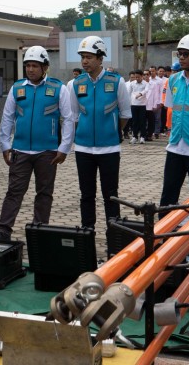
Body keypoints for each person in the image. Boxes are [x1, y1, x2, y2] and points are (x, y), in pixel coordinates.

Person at [0, 45, 74, 241]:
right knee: (14, 192)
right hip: (20, 151)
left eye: (35, 66)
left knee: (44, 193)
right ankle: (3, 231)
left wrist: (64, 148)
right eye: (28, 65)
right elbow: (7, 117)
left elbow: (69, 119)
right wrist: (5, 145)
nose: (30, 69)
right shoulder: (17, 88)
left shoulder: (58, 88)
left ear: (45, 67)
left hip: (47, 152)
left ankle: (40, 231)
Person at [70, 35, 131, 230]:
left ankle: (114, 235)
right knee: (86, 194)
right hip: (83, 148)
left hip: (109, 149)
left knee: (110, 194)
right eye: (82, 57)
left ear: (100, 58)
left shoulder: (116, 81)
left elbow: (125, 114)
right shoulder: (75, 84)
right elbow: (74, 116)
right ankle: (87, 232)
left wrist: (112, 130)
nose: (85, 61)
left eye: (89, 57)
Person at [159, 34, 189, 208]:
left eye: (186, 54)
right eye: (180, 53)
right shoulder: (173, 80)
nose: (182, 58)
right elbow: (171, 108)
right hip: (175, 146)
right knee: (168, 195)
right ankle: (163, 232)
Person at [128, 70, 148, 144]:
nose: (137, 78)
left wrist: (140, 94)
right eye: (136, 77)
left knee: (142, 121)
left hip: (142, 105)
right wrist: (129, 103)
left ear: (142, 76)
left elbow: (146, 90)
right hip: (134, 104)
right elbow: (129, 93)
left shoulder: (146, 84)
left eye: (138, 77)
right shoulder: (132, 84)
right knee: (134, 121)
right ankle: (134, 137)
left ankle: (142, 137)